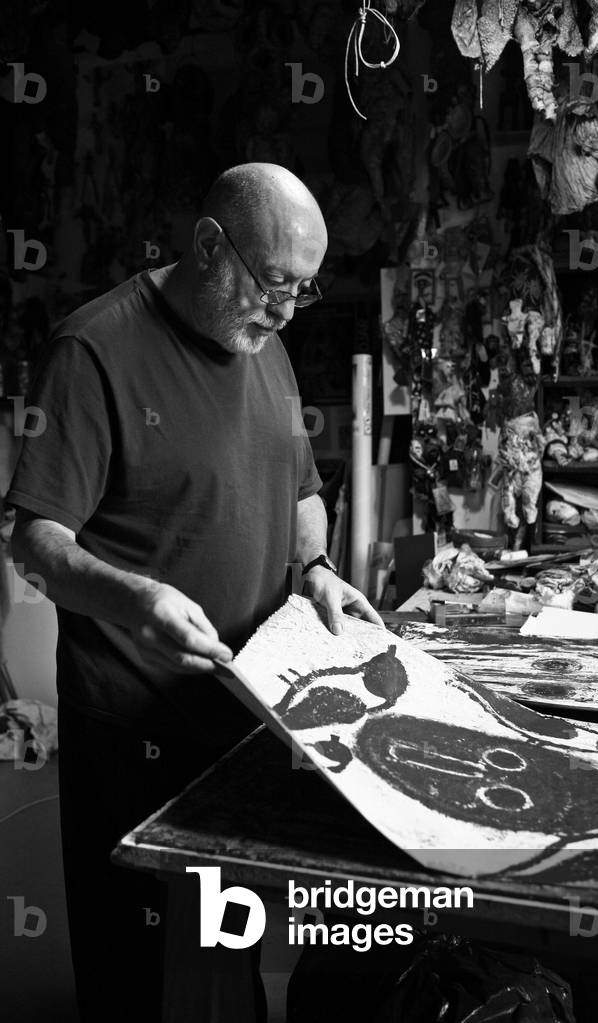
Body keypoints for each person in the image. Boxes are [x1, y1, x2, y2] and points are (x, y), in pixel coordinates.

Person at [8, 162, 383, 1022]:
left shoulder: (265, 344)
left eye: (304, 288)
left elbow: (302, 489)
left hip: (240, 714)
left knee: (224, 957)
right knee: (137, 969)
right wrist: (135, 598)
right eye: (275, 282)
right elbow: (35, 540)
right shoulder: (94, 350)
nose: (287, 311)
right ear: (210, 245)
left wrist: (319, 568)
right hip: (132, 725)